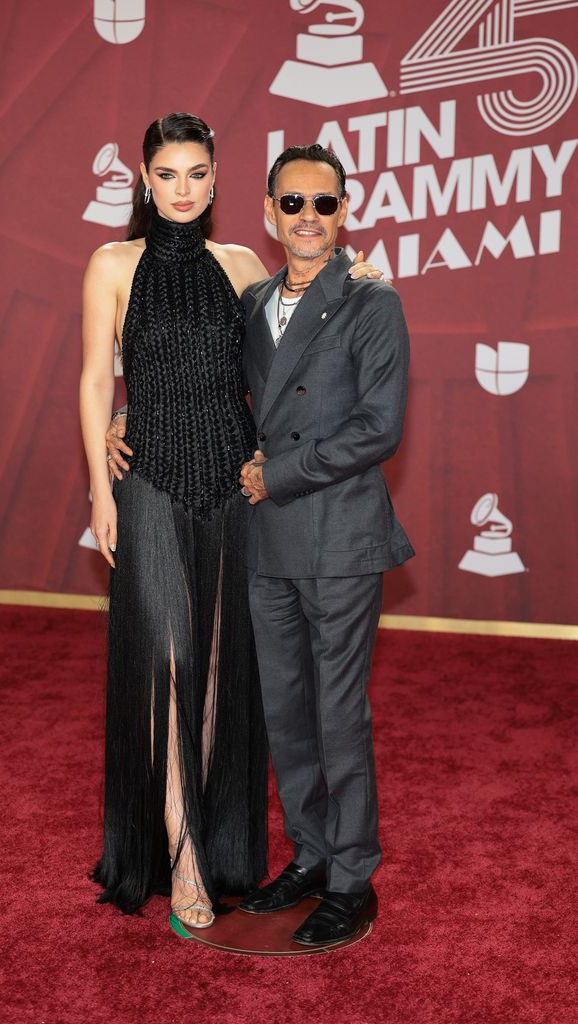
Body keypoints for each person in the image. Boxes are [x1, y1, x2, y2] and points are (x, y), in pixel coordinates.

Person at [88, 115, 386, 932]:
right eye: (166, 174)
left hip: (233, 486)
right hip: (148, 483)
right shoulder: (112, 264)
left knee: (221, 668)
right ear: (143, 182)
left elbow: (287, 362)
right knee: (171, 665)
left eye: (195, 174)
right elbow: (90, 378)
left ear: (218, 183)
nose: (181, 189)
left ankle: (222, 847)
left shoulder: (245, 266)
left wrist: (355, 276)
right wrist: (98, 479)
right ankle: (182, 853)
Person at [237, 144, 414, 947]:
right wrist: (130, 417)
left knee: (338, 712)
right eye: (294, 203)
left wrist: (283, 475)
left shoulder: (373, 302)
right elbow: (228, 399)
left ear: (345, 213)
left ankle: (352, 876)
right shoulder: (251, 301)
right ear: (270, 213)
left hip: (340, 534)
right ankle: (309, 855)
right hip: (268, 539)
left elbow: (378, 429)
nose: (309, 217)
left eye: (325, 203)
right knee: (286, 711)